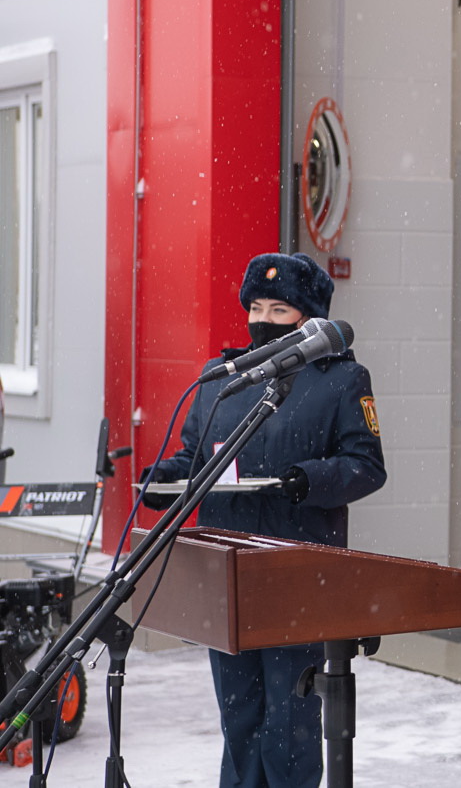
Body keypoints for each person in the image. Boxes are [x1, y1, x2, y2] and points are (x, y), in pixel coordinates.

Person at [142, 252, 386, 788]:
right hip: (226, 575)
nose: (264, 320)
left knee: (289, 726)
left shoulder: (341, 379)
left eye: (280, 309)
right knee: (240, 720)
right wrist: (166, 478)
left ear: (310, 319)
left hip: (295, 577)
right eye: (256, 306)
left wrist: (309, 479)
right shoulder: (221, 379)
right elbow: (197, 456)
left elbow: (366, 466)